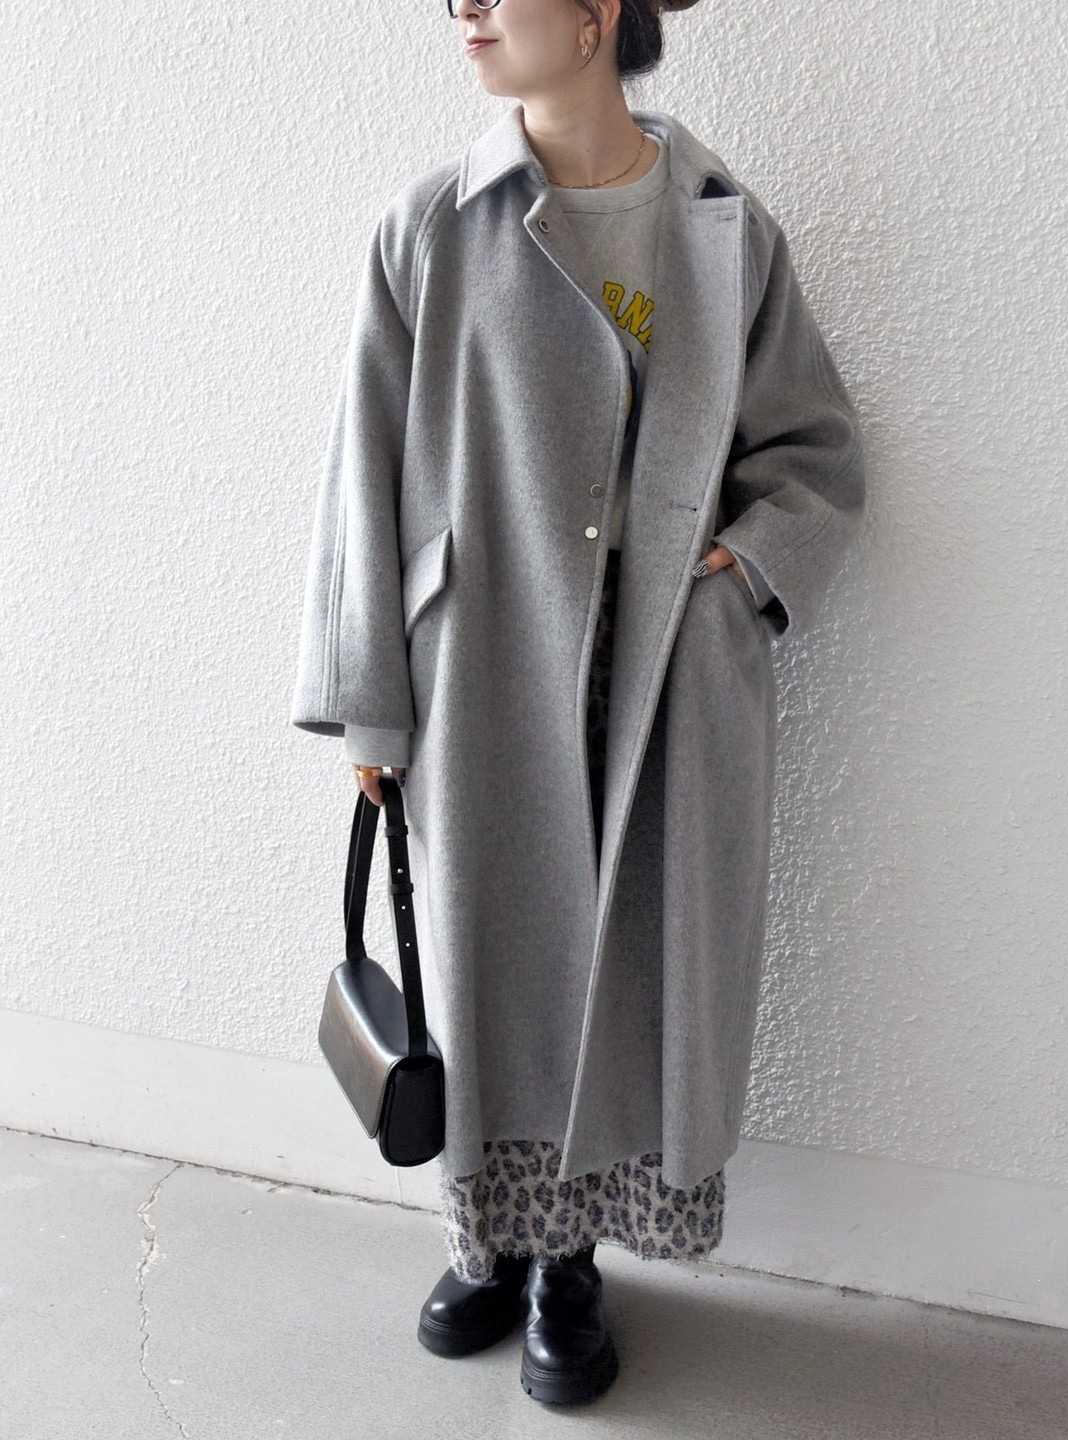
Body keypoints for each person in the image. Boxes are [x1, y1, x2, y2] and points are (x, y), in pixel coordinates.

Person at [291, 0, 864, 1407]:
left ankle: (572, 1263)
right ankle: (486, 1239)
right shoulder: (432, 227)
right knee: (490, 964)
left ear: (599, 14)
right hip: (481, 667)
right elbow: (363, 468)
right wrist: (368, 700)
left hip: (661, 680)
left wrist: (741, 580)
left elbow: (815, 452)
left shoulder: (724, 228)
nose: (467, 10)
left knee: (631, 974)